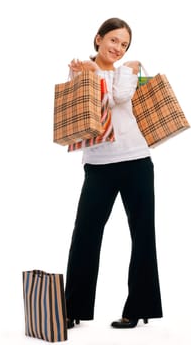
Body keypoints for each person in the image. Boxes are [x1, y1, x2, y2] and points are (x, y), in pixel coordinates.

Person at [64, 17, 163, 329]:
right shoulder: (80, 68)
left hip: (136, 159)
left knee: (143, 234)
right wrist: (90, 73)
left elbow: (118, 98)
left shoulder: (130, 68)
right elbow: (91, 106)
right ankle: (72, 308)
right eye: (113, 41)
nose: (119, 48)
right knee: (85, 235)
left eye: (124, 44)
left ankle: (138, 307)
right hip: (98, 164)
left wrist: (99, 74)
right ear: (98, 39)